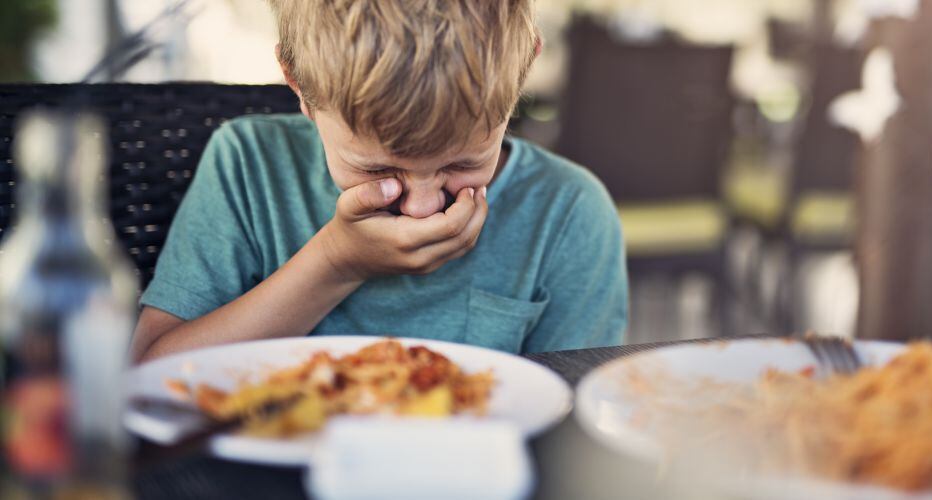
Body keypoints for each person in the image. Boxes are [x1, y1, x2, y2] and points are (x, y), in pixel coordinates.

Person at [131, 0, 627, 362]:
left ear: (523, 71)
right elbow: (152, 371)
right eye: (376, 171)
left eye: (463, 162)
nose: (421, 208)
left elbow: (575, 435)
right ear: (297, 84)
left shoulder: (568, 213)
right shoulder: (247, 165)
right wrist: (335, 263)